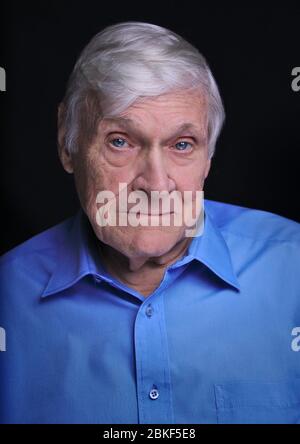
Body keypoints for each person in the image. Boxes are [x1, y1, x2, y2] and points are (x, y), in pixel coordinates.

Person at [0, 21, 299, 424]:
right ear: (66, 142)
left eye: (182, 145)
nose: (156, 185)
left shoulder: (292, 269)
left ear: (208, 156)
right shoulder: (8, 298)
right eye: (120, 141)